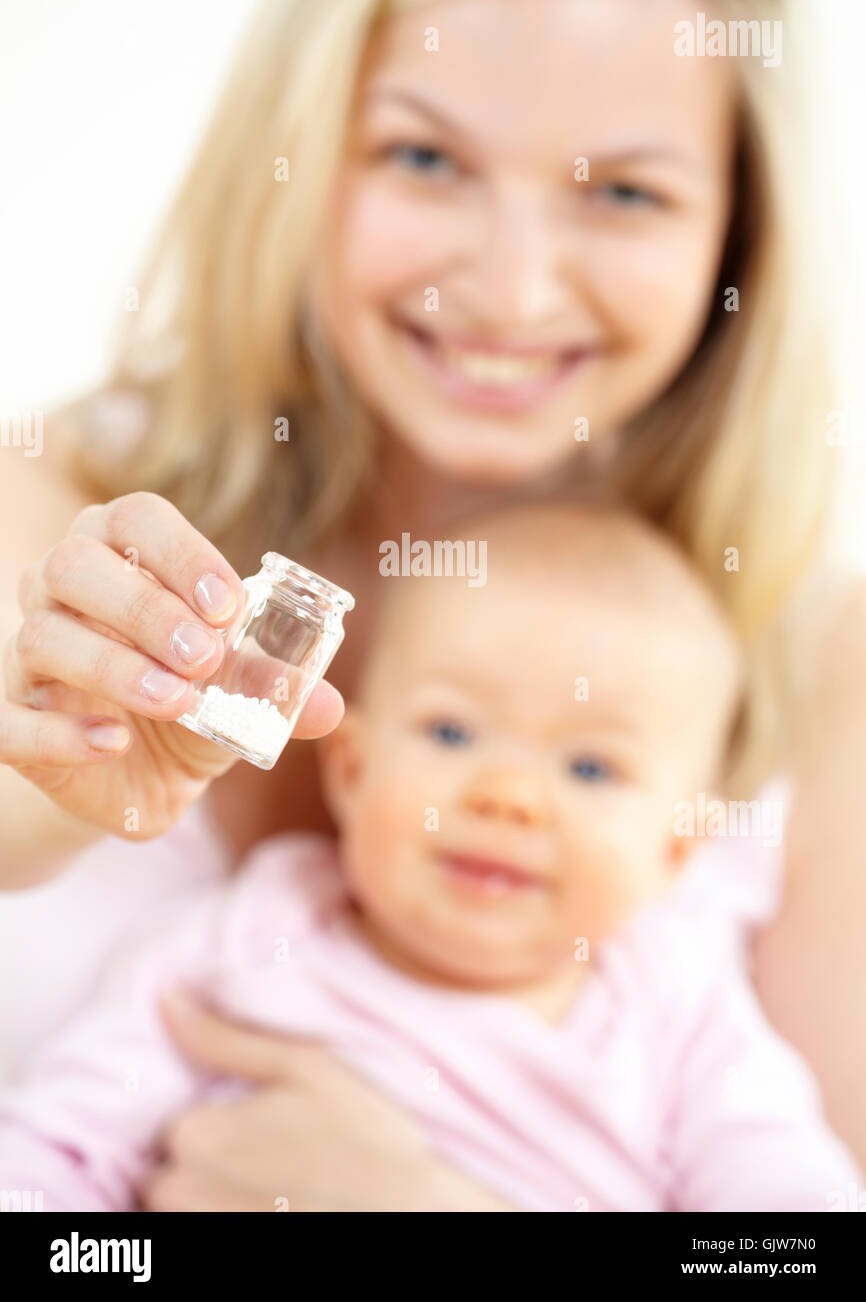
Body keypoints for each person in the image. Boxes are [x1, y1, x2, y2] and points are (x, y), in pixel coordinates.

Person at [1, 0, 864, 1210]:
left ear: (738, 231)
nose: (510, 290)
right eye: (422, 155)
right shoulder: (54, 522)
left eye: (622, 189)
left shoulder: (820, 672)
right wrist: (48, 790)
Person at [1, 504, 860, 1212]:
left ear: (676, 851)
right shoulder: (257, 926)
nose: (509, 796)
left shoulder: (679, 1014)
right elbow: (54, 1152)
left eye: (592, 767)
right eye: (452, 731)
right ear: (352, 768)